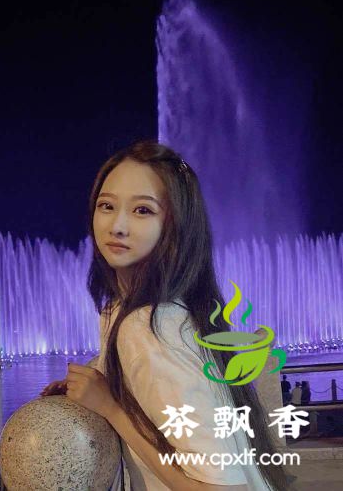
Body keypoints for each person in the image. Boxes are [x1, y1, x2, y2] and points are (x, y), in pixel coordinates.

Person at [41, 141, 287, 490]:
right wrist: (101, 381)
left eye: (143, 210)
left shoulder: (149, 327)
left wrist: (111, 408)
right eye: (107, 205)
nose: (117, 226)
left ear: (175, 227)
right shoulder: (128, 310)